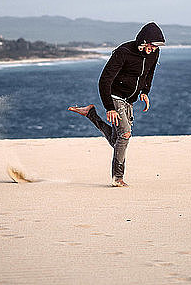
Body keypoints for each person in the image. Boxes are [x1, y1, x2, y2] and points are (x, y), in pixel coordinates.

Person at [68, 22, 166, 187]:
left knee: (118, 140)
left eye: (156, 47)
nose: (153, 49)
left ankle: (91, 114)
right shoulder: (123, 52)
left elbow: (149, 73)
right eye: (151, 45)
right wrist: (109, 107)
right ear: (143, 41)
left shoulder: (153, 54)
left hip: (130, 100)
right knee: (125, 134)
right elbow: (104, 80)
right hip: (115, 96)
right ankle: (117, 178)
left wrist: (145, 92)